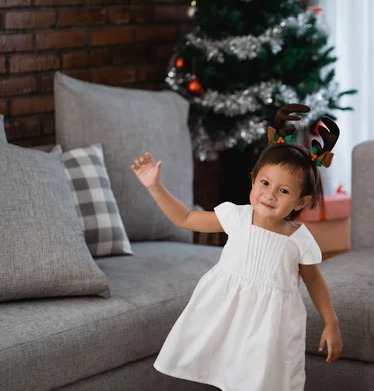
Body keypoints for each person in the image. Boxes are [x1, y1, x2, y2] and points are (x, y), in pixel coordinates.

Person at [132, 104, 343, 391]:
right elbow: (184, 217)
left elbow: (315, 281)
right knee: (226, 374)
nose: (269, 194)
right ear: (253, 181)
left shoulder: (298, 239)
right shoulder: (236, 217)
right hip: (227, 313)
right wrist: (155, 186)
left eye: (283, 191)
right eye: (265, 183)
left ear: (300, 202)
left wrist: (331, 322)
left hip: (270, 325)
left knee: (263, 381)